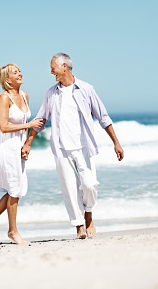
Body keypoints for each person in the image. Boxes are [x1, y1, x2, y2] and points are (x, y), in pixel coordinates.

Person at [21, 53, 124, 239]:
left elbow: (103, 117)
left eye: (53, 67)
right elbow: (41, 119)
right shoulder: (52, 93)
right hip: (61, 148)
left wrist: (116, 143)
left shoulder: (86, 89)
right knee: (69, 189)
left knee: (89, 184)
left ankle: (89, 214)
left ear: (64, 67)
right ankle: (79, 226)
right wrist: (29, 142)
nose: (51, 71)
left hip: (84, 146)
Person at [0, 64, 45, 244]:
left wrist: (26, 144)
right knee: (15, 188)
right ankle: (13, 231)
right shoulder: (4, 98)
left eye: (19, 71)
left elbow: (25, 122)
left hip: (17, 146)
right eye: (15, 72)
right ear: (7, 80)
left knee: (14, 188)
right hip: (5, 146)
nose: (20, 74)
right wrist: (29, 125)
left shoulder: (24, 95)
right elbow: (4, 127)